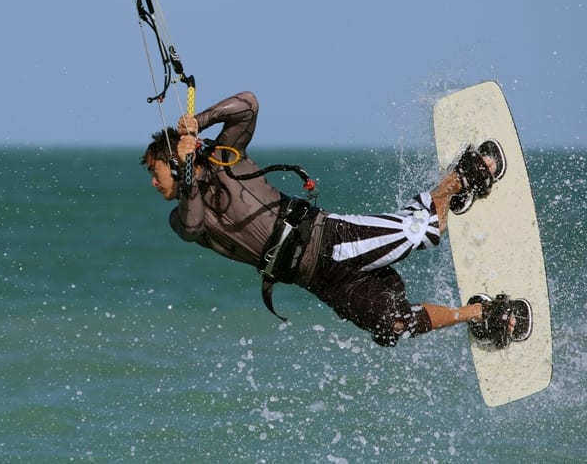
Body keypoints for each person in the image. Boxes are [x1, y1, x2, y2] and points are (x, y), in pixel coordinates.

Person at [141, 91, 530, 348]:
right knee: (391, 326)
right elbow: (192, 224)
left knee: (422, 230)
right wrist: (189, 167)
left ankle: (462, 178)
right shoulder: (182, 216)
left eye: (155, 171)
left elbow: (248, 104)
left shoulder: (225, 158)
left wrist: (201, 121)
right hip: (316, 280)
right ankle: (483, 313)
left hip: (326, 239)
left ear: (172, 163)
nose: (153, 183)